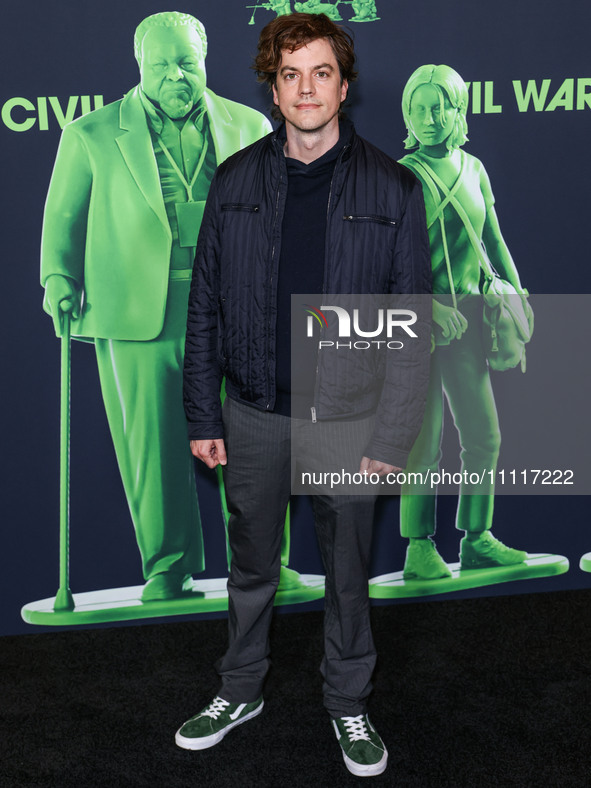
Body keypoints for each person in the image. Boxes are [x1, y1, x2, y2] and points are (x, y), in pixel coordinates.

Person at [180, 12, 431, 777]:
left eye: (320, 72)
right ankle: (240, 689)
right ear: (273, 88)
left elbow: (409, 332)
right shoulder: (234, 182)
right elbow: (205, 307)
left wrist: (390, 441)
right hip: (253, 413)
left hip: (346, 424)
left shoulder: (392, 187)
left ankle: (348, 703)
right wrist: (203, 410)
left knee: (346, 579)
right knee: (250, 569)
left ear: (343, 85)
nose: (305, 88)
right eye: (289, 74)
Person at [40, 12, 271, 601]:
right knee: (152, 442)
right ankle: (167, 565)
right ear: (139, 66)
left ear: (205, 59)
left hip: (232, 304)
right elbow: (62, 220)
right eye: (161, 64)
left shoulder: (248, 125)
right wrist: (59, 277)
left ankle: (262, 559)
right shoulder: (90, 134)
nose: (176, 75)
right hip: (140, 310)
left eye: (186, 62)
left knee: (251, 435)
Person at [398, 64, 529, 580]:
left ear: (458, 110)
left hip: (473, 321)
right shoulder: (398, 175)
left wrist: (518, 295)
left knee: (483, 435)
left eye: (440, 107)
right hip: (418, 328)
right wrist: (430, 305)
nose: (429, 118)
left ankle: (477, 536)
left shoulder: (473, 169)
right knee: (422, 443)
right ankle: (418, 546)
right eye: (419, 108)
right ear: (406, 113)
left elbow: (493, 242)